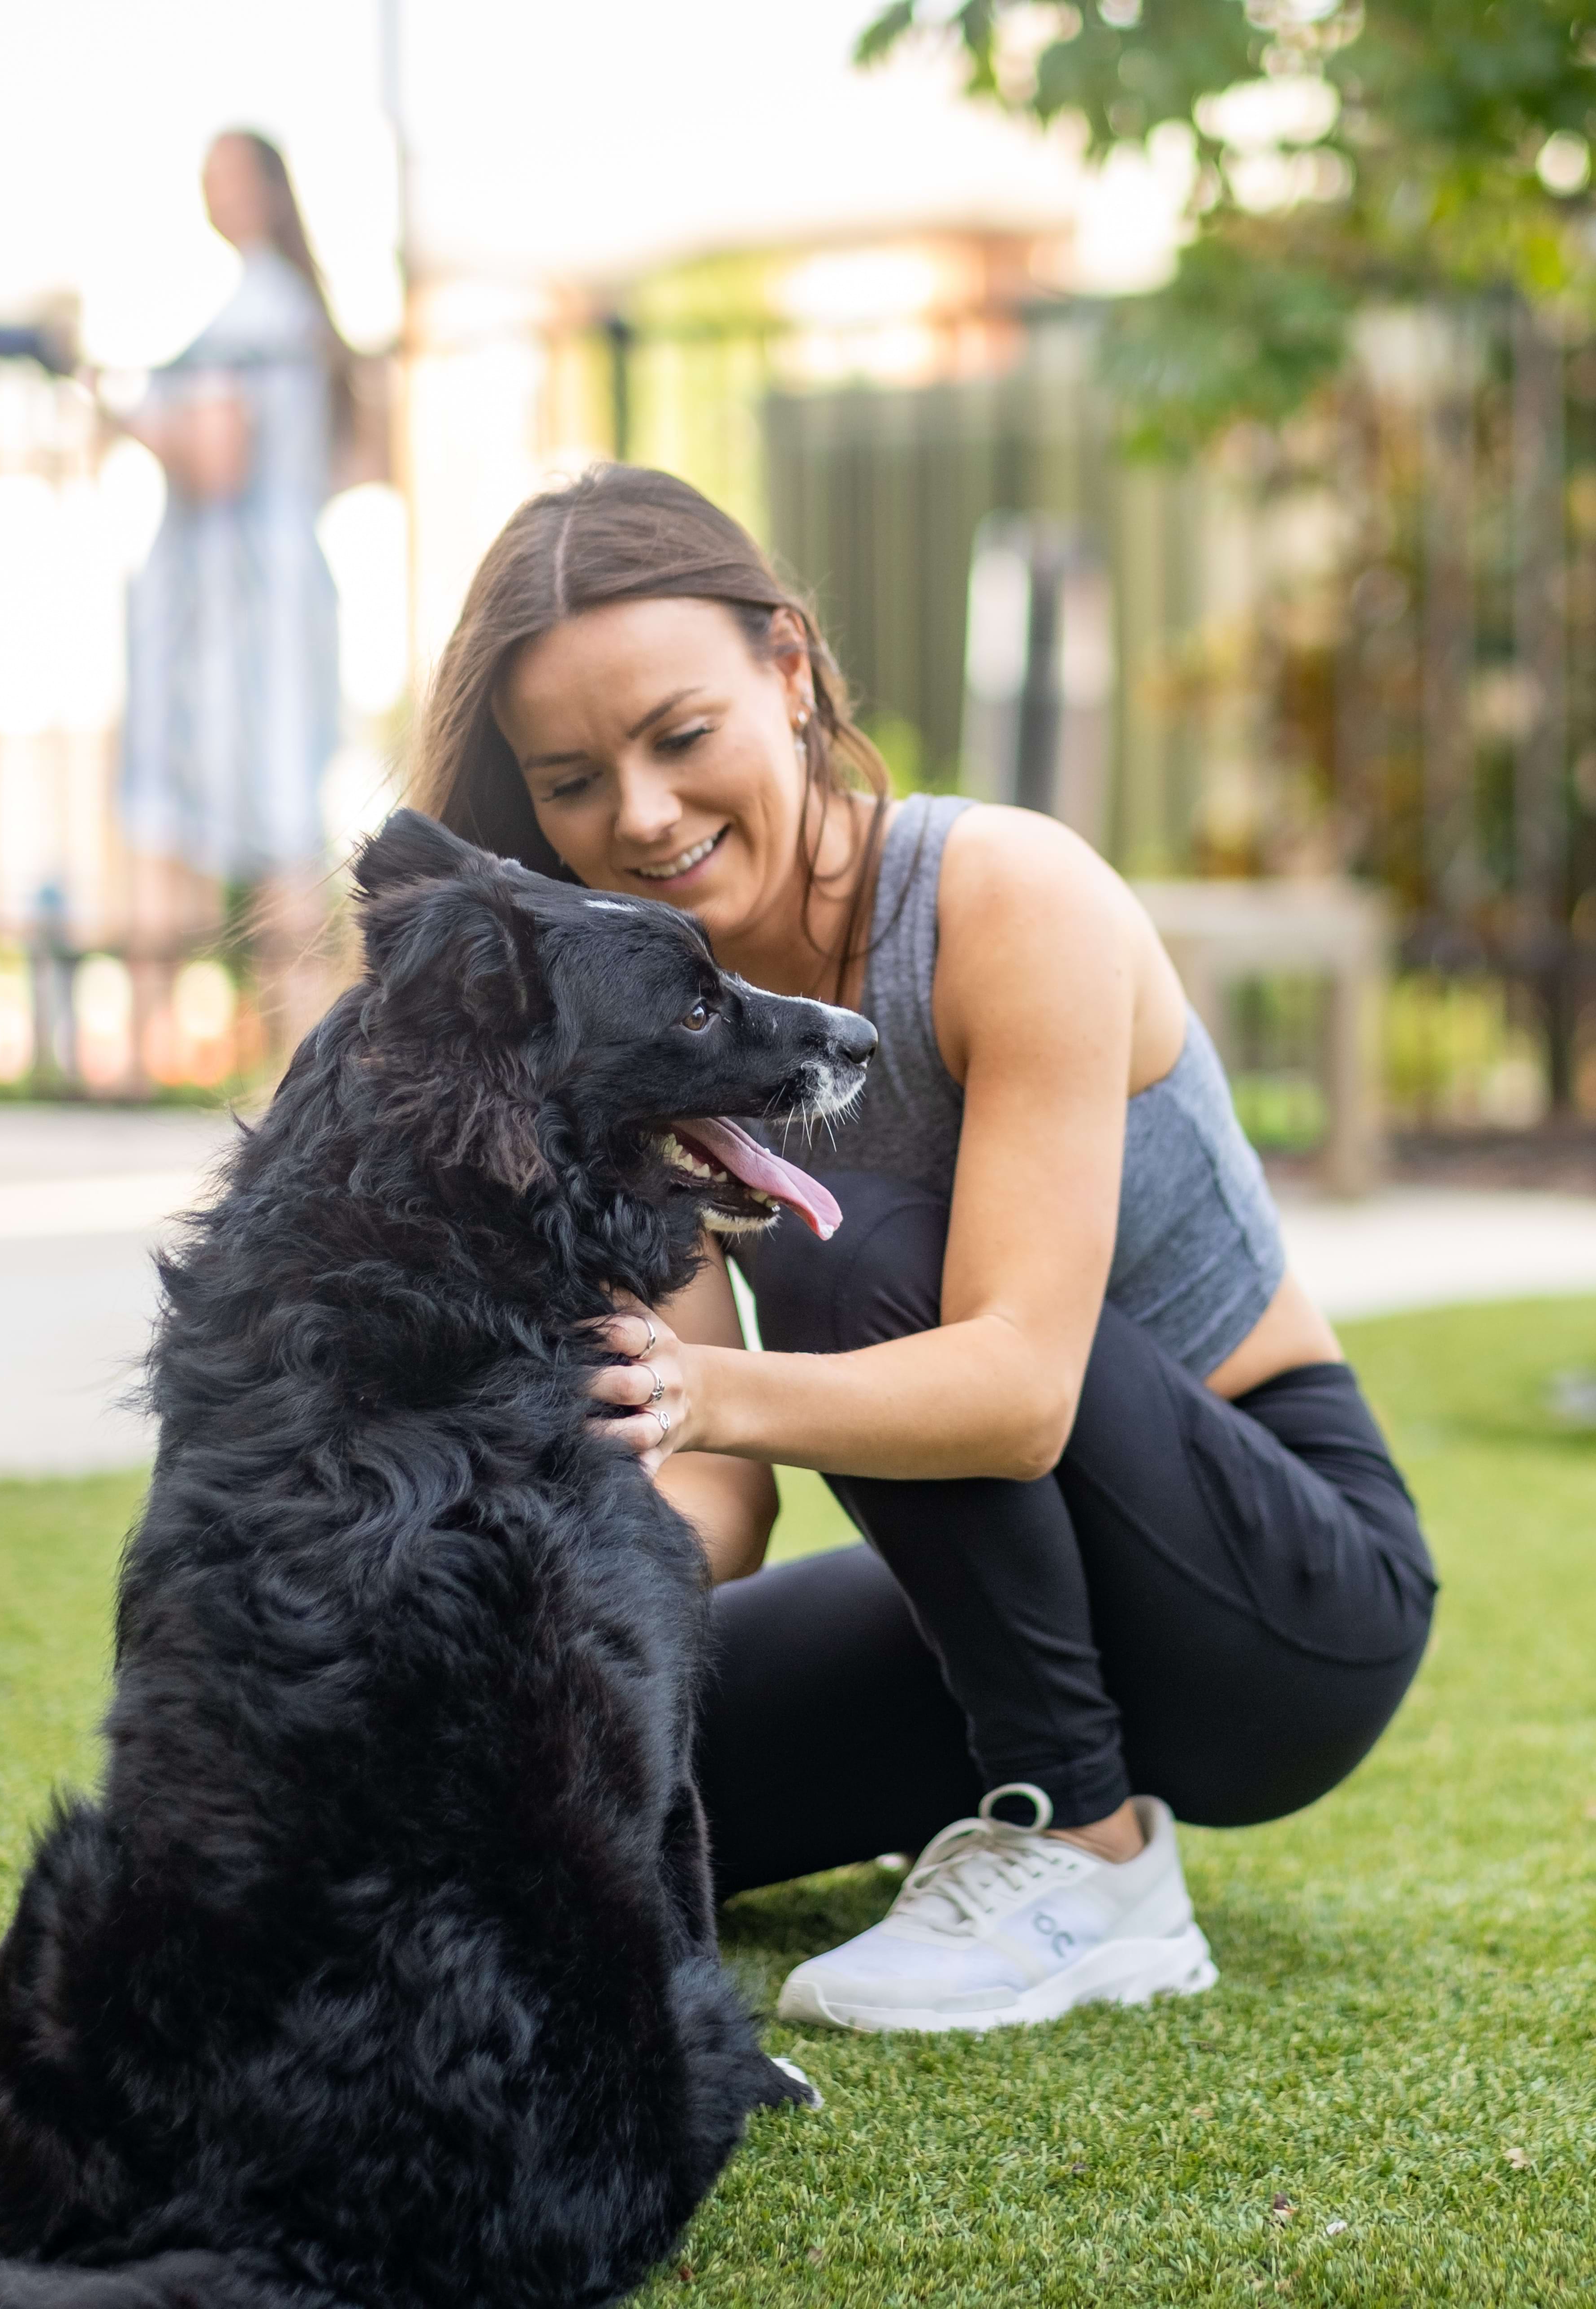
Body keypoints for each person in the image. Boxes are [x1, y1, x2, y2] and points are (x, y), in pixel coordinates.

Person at [406, 467, 1436, 2034]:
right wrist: (524, 1635)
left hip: (1279, 1605)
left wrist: (699, 1391)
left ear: (789, 668)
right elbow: (715, 1494)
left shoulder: (1000, 897)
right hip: (994, 1617)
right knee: (518, 1798)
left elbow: (1018, 1395)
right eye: (571, 779)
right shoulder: (619, 1035)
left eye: (680, 736)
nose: (641, 814)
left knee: (844, 1242)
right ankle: (1012, 1764)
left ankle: (1081, 1847)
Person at [115, 129, 350, 1063]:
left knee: (229, 823)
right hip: (271, 595)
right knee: (276, 825)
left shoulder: (260, 307)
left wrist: (126, 411)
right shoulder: (296, 305)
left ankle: (151, 1061)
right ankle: (302, 1062)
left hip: (236, 612)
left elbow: (215, 461)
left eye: (224, 178)